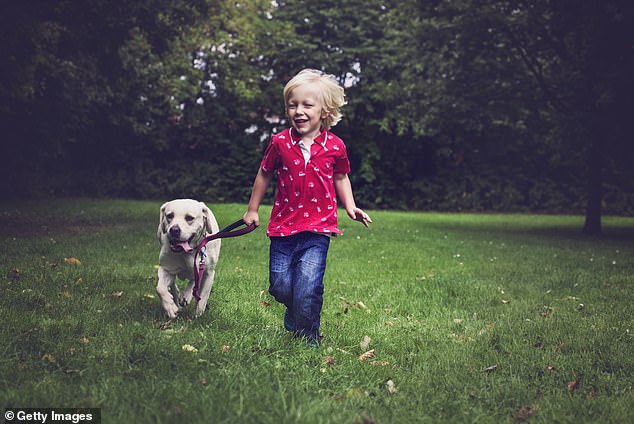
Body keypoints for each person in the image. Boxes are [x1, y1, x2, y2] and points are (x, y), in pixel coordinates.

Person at [243, 69, 372, 346]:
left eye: (306, 105)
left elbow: (341, 176)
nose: (298, 111)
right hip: (282, 228)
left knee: (309, 286)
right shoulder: (280, 143)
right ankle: (295, 310)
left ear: (324, 110)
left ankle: (309, 335)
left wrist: (350, 206)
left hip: (318, 228)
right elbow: (264, 173)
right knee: (279, 285)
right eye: (293, 105)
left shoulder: (335, 146)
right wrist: (253, 210)